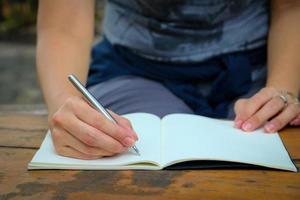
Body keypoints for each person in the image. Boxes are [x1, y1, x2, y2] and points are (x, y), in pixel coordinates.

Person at [37, 0, 300, 160]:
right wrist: (64, 102)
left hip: (258, 74)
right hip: (134, 69)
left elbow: (291, 6)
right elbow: (62, 24)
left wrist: (282, 88)